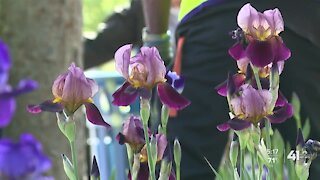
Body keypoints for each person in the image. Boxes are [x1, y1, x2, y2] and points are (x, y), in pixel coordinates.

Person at [142, 0, 320, 179]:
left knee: (182, 167)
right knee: (311, 157)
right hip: (300, 20)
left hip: (210, 23)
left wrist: (156, 43)